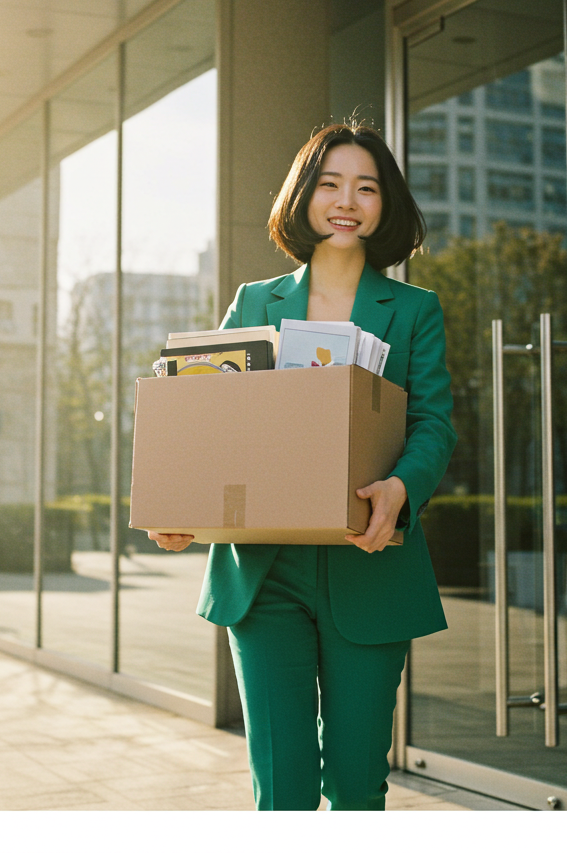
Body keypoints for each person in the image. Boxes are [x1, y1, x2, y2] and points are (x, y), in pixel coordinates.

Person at [149, 122, 457, 811]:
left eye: (366, 187)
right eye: (330, 183)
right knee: (281, 785)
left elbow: (434, 421)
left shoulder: (413, 312)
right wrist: (180, 505)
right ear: (304, 196)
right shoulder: (255, 302)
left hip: (370, 563)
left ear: (386, 205)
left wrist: (401, 489)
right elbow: (210, 416)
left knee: (354, 782)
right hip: (265, 576)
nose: (347, 200)